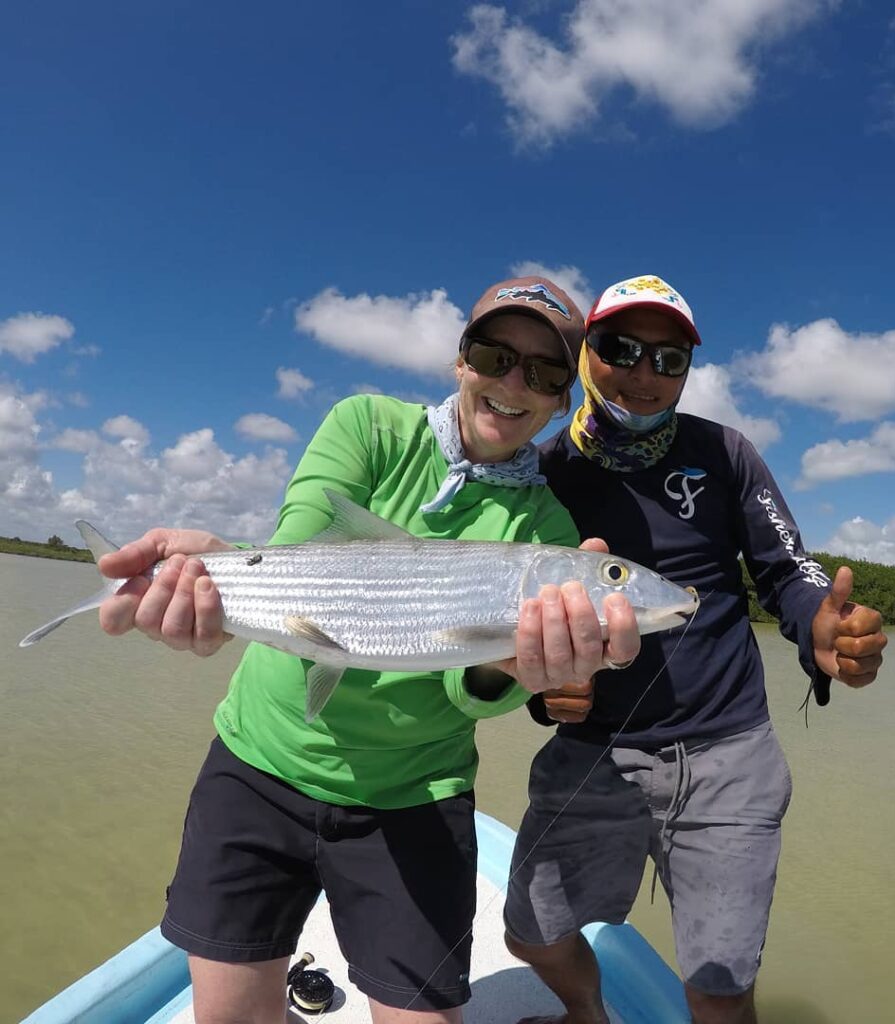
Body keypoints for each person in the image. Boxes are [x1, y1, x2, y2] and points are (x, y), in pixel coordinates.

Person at [96, 275, 641, 1024]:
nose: (514, 383)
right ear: (461, 362)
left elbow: (467, 688)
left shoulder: (547, 528)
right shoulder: (368, 424)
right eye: (494, 355)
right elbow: (302, 550)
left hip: (413, 795)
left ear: (561, 402)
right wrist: (223, 573)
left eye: (545, 373)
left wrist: (510, 669)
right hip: (260, 763)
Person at [502, 274, 888, 1024]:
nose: (646, 375)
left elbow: (787, 570)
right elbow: (521, 627)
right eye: (622, 349)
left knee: (718, 988)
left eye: (670, 360)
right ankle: (587, 1016)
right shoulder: (543, 474)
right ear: (586, 355)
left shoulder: (726, 452)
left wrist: (820, 629)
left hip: (727, 757)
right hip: (593, 755)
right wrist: (546, 695)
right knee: (532, 936)